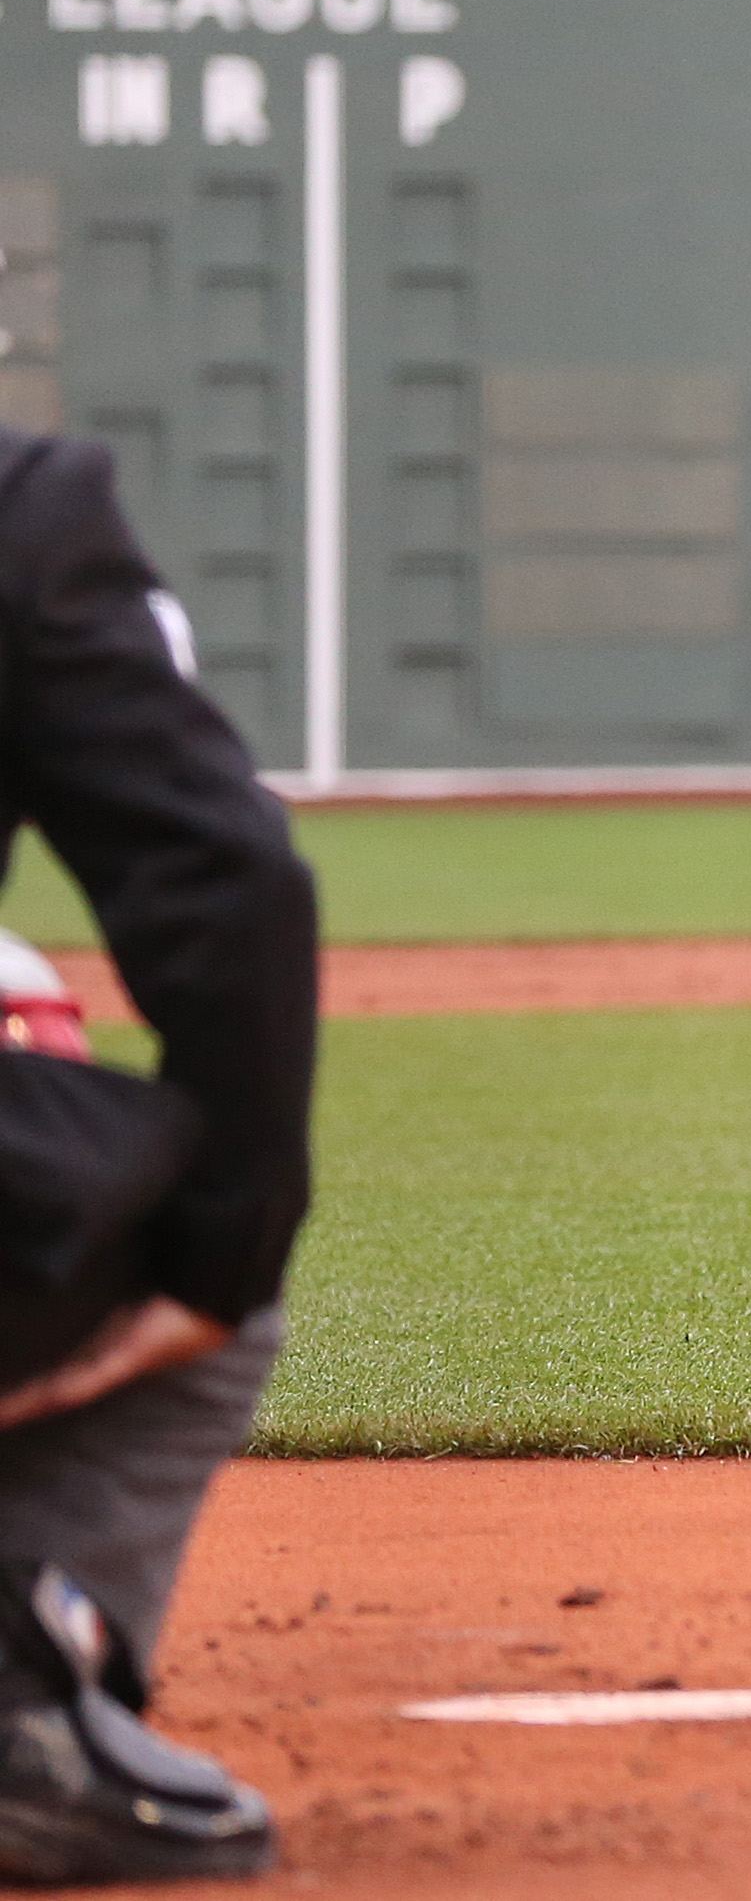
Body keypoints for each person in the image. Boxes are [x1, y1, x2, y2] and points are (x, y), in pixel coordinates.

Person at [0, 429, 313, 1883]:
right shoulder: (19, 503)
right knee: (199, 1236)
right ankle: (16, 1714)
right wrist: (225, 1234)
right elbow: (223, 877)